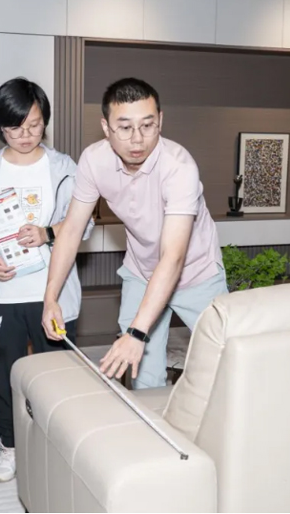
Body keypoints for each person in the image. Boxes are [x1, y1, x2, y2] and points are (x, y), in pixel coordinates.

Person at [42, 77, 227, 390]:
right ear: (106, 127)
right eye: (125, 127)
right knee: (144, 377)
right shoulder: (94, 160)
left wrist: (137, 333)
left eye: (147, 125)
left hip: (197, 274)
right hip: (141, 272)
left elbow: (173, 256)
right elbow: (71, 230)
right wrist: (50, 298)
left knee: (226, 362)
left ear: (160, 121)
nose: (137, 139)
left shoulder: (179, 167)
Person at [0, 77, 93, 482]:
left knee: (56, 373)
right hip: (2, 293)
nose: (26, 135)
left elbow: (82, 224)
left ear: (44, 120)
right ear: (0, 128)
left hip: (52, 291)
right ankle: (9, 446)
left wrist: (47, 232)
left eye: (34, 125)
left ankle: (55, 445)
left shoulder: (64, 167)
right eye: (15, 128)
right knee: (7, 375)